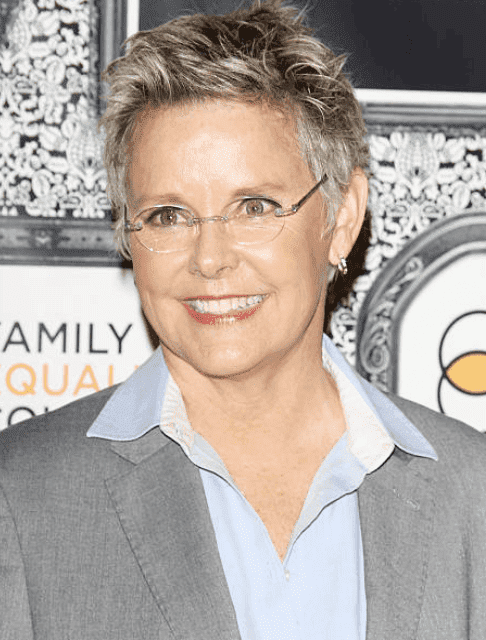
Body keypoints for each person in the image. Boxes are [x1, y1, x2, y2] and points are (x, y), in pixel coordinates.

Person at [1, 1, 486, 638]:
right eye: (167, 216)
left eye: (253, 207)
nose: (209, 259)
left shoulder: (472, 495)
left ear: (340, 218)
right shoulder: (20, 497)